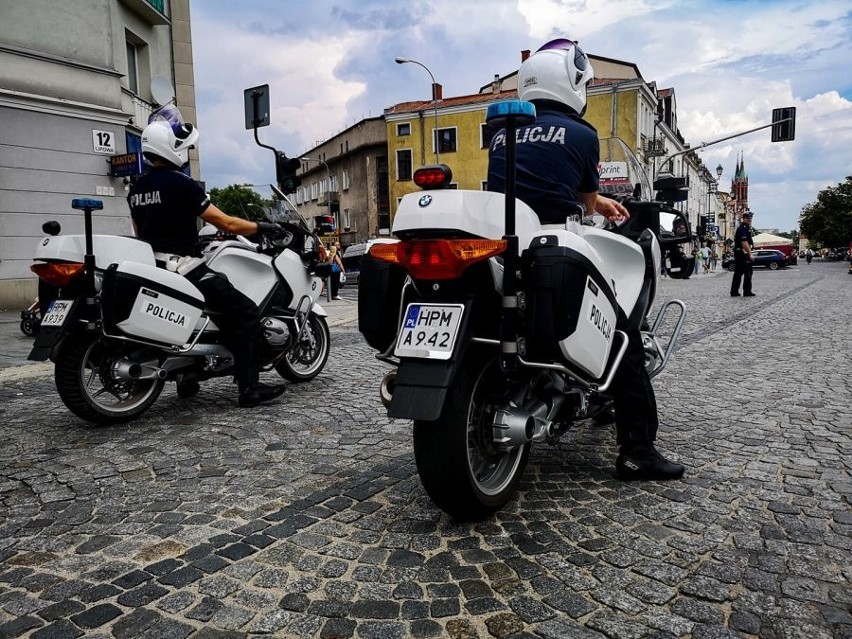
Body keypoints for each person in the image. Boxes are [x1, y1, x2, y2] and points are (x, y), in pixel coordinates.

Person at [487, 37, 684, 482]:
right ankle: (638, 452)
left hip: (504, 242)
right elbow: (579, 195)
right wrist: (605, 205)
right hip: (554, 242)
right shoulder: (582, 133)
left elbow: (533, 183)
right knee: (624, 339)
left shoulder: (502, 132)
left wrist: (599, 206)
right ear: (572, 84)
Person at [128, 111, 286, 408]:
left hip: (154, 266)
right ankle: (249, 389)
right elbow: (225, 223)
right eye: (183, 147)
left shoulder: (136, 189)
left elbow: (141, 231)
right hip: (184, 267)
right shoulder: (181, 183)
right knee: (245, 312)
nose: (186, 153)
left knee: (208, 310)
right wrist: (262, 226)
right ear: (170, 148)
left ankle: (189, 376)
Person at [730, 211, 755, 297]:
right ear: (744, 218)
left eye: (750, 218)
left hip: (739, 252)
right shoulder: (743, 228)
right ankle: (747, 291)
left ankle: (734, 291)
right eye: (748, 218)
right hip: (742, 253)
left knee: (738, 272)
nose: (750, 219)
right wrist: (750, 254)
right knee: (748, 272)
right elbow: (744, 242)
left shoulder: (744, 227)